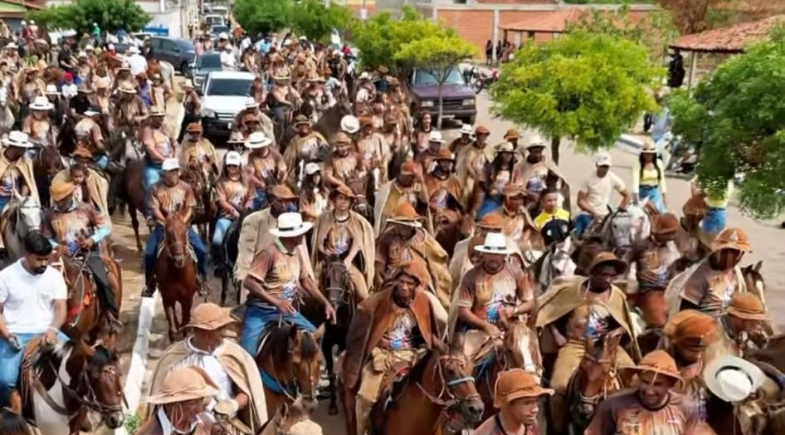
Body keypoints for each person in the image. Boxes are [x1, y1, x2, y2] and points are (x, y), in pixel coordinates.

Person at [536, 252, 639, 432]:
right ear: (594, 273)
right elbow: (550, 313)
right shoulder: (572, 292)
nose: (607, 279)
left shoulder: (617, 296)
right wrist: (556, 334)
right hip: (575, 344)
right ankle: (558, 429)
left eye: (611, 276)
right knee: (558, 386)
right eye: (603, 274)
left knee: (634, 378)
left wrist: (617, 330)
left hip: (607, 346)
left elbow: (625, 323)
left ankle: (631, 425)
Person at [341, 261, 441, 435]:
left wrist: (440, 347)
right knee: (364, 398)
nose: (404, 287)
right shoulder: (375, 303)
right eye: (401, 282)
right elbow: (361, 333)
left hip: (411, 355)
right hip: (381, 356)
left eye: (409, 284)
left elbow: (427, 332)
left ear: (416, 286)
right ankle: (362, 431)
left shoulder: (423, 302)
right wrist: (378, 341)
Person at [147, 303, 268, 431]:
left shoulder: (234, 355)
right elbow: (164, 398)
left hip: (225, 425)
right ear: (204, 331)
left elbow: (247, 392)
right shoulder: (174, 358)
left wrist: (233, 404)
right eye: (219, 329)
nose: (223, 333)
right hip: (183, 427)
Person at [239, 212, 336, 355]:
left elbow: (306, 281)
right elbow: (249, 282)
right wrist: (276, 302)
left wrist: (325, 303)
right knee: (248, 353)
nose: (303, 235)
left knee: (313, 336)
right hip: (261, 312)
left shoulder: (296, 252)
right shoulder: (269, 253)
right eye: (300, 233)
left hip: (287, 311)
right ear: (290, 236)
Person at [0, 231, 69, 410]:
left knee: (78, 361)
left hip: (48, 331)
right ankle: (9, 416)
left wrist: (53, 329)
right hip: (16, 334)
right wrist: (7, 334)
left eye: (46, 259)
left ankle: (82, 410)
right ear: (26, 253)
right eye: (39, 259)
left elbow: (60, 307)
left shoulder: (54, 276)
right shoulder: (6, 276)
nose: (44, 263)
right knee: (5, 379)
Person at [43, 178, 116, 318]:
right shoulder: (49, 214)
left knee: (103, 281)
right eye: (57, 200)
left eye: (62, 199)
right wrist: (57, 245)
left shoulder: (86, 208)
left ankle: (111, 315)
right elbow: (46, 237)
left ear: (70, 196)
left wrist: (92, 239)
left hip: (87, 253)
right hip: (63, 256)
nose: (59, 203)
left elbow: (105, 228)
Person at [585, 350, 700, 435]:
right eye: (645, 382)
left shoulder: (686, 408)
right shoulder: (614, 405)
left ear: (671, 384)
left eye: (657, 384)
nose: (649, 391)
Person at [451, 232, 535, 345]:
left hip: (512, 328)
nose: (493, 258)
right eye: (490, 254)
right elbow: (464, 311)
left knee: (530, 351)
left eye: (497, 254)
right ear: (484, 254)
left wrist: (514, 310)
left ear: (504, 255)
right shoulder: (471, 277)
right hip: (479, 331)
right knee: (464, 357)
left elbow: (530, 302)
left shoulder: (516, 272)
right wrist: (485, 326)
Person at [142, 158, 209, 297]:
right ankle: (150, 284)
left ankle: (202, 279)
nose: (174, 174)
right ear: (164, 173)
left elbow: (190, 207)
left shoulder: (186, 187)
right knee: (149, 254)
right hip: (163, 227)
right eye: (170, 172)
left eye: (176, 171)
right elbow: (155, 209)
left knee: (201, 250)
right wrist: (166, 222)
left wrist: (182, 223)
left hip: (183, 227)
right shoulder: (155, 188)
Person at [375, 202, 451, 311]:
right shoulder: (387, 237)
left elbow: (437, 259)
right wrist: (383, 280)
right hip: (391, 282)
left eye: (405, 224)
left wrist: (427, 282)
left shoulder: (424, 238)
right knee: (368, 309)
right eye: (399, 224)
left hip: (418, 284)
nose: (402, 227)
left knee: (439, 316)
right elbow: (379, 263)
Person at [670, 227, 759, 318]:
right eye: (727, 252)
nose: (731, 258)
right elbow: (686, 312)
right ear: (718, 250)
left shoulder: (737, 273)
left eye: (736, 253)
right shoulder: (701, 275)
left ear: (742, 254)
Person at [311, 183, 376, 303]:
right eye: (340, 198)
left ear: (351, 202)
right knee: (313, 287)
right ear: (335, 199)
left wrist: (348, 259)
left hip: (346, 260)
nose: (343, 202)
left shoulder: (357, 221)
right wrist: (325, 252)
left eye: (347, 199)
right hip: (328, 260)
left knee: (363, 295)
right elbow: (318, 240)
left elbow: (358, 242)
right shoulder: (324, 218)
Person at [661, 310, 720, 423]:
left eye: (700, 349)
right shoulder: (663, 371)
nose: (697, 355)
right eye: (691, 349)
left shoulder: (707, 366)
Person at [137, 366, 222, 435]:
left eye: (201, 400)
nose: (199, 409)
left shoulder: (205, 423)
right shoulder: (151, 433)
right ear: (174, 404)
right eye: (192, 402)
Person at [472, 369, 553, 435]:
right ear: (508, 404)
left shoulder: (532, 425)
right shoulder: (486, 432)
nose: (535, 409)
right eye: (527, 403)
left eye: (536, 402)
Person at [574, 152, 630, 237]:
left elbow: (626, 194)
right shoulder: (588, 178)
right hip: (588, 214)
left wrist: (620, 210)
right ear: (597, 165)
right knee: (579, 233)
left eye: (606, 167)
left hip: (606, 215)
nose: (604, 169)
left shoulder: (612, 178)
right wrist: (593, 212)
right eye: (602, 166)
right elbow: (581, 200)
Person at [374, 160, 430, 233]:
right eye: (409, 177)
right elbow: (381, 212)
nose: (411, 179)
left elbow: (425, 202)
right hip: (391, 228)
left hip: (410, 226)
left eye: (413, 177)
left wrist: (422, 181)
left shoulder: (416, 189)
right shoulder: (387, 189)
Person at [213, 151, 252, 254]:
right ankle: (218, 263)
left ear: (239, 166)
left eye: (234, 165)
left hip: (245, 217)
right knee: (217, 240)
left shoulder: (247, 182)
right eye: (229, 165)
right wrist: (233, 211)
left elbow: (251, 197)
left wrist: (247, 209)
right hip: (227, 217)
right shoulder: (221, 183)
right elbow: (221, 201)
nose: (231, 168)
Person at [711, 292, 769, 357]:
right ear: (738, 318)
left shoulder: (740, 331)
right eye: (753, 320)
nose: (758, 323)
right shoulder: (715, 333)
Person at [141, 107, 175, 216]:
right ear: (152, 118)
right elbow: (150, 149)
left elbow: (174, 143)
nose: (160, 120)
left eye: (161, 117)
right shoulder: (148, 130)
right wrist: (163, 159)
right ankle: (151, 213)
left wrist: (174, 154)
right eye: (158, 118)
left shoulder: (165, 128)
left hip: (170, 164)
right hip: (155, 165)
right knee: (151, 184)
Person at [484, 184, 538, 253]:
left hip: (521, 250)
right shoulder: (493, 217)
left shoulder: (522, 212)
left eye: (521, 198)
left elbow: (530, 228)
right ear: (506, 199)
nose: (519, 202)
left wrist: (524, 238)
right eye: (515, 199)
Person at [472, 142, 518, 219]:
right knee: (482, 216)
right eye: (505, 153)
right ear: (500, 154)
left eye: (510, 154)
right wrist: (490, 190)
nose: (508, 156)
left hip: (508, 200)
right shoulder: (490, 168)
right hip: (491, 199)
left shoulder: (515, 170)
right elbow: (482, 182)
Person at [242, 131, 286, 209]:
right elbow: (250, 175)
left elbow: (283, 171)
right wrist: (262, 184)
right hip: (260, 189)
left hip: (275, 186)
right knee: (257, 203)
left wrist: (281, 178)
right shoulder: (252, 156)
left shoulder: (276, 155)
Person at [283, 115, 328, 186]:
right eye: (300, 126)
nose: (303, 127)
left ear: (308, 126)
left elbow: (325, 151)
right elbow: (289, 157)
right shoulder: (295, 141)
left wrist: (316, 157)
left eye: (305, 125)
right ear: (297, 128)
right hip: (301, 165)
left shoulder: (316, 136)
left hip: (317, 163)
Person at [0, 131, 38, 213]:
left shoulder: (26, 162)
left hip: (17, 199)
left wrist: (22, 199)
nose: (24, 150)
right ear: (14, 147)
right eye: (22, 148)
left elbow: (27, 183)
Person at [456, 124, 492, 207]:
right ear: (476, 136)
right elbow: (466, 164)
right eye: (480, 136)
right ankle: (463, 210)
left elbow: (491, 164)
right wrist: (475, 176)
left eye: (484, 136)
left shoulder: (490, 149)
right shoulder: (468, 149)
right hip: (471, 176)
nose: (482, 138)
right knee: (467, 193)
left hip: (484, 176)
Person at [632, 140, 667, 212]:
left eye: (650, 154)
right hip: (641, 192)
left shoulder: (659, 163)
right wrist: (636, 196)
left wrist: (664, 197)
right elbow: (635, 180)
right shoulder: (638, 163)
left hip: (654, 192)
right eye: (646, 154)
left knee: (663, 212)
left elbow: (662, 180)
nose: (648, 156)